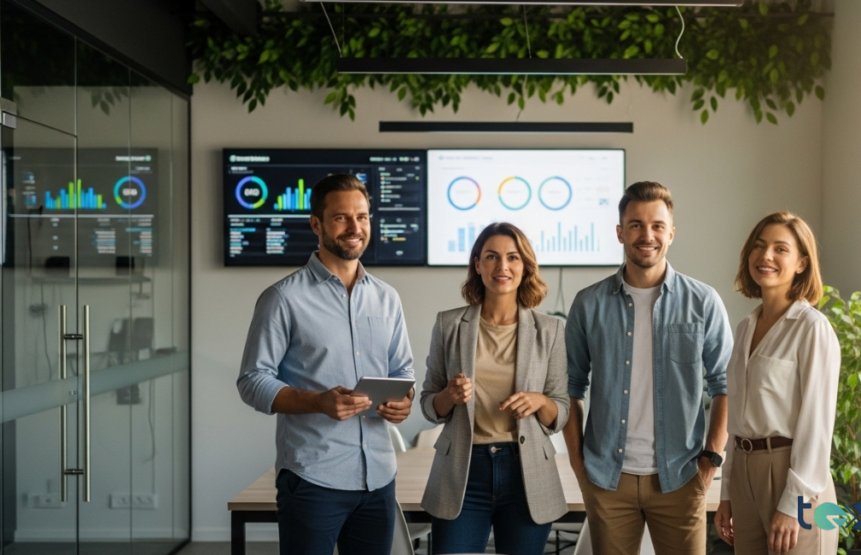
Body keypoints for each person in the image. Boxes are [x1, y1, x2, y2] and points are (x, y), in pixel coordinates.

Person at [236, 174, 415, 555]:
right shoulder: (282, 298)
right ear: (316, 224)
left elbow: (402, 372)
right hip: (313, 479)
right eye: (341, 218)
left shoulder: (387, 298)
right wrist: (318, 402)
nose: (355, 228)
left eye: (363, 217)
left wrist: (404, 400)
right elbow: (252, 380)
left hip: (379, 478)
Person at [563, 181, 733, 555]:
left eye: (657, 225)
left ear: (671, 233)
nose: (647, 235)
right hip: (607, 480)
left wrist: (710, 462)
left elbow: (726, 385)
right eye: (636, 224)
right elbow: (570, 389)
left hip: (681, 478)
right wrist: (579, 466)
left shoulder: (703, 302)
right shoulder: (588, 304)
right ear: (620, 232)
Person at [420, 222, 570, 555]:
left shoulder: (551, 330)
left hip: (526, 473)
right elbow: (429, 404)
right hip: (463, 471)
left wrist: (539, 400)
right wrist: (448, 396)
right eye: (491, 257)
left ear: (525, 265)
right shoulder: (449, 324)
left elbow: (561, 412)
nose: (502, 267)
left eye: (513, 257)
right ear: (477, 264)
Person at [713, 211, 840, 555]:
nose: (765, 256)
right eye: (759, 246)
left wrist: (793, 504)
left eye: (780, 249)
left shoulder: (812, 328)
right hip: (744, 472)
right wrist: (726, 493)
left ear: (801, 263)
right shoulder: (744, 329)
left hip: (794, 475)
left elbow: (817, 424)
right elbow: (737, 420)